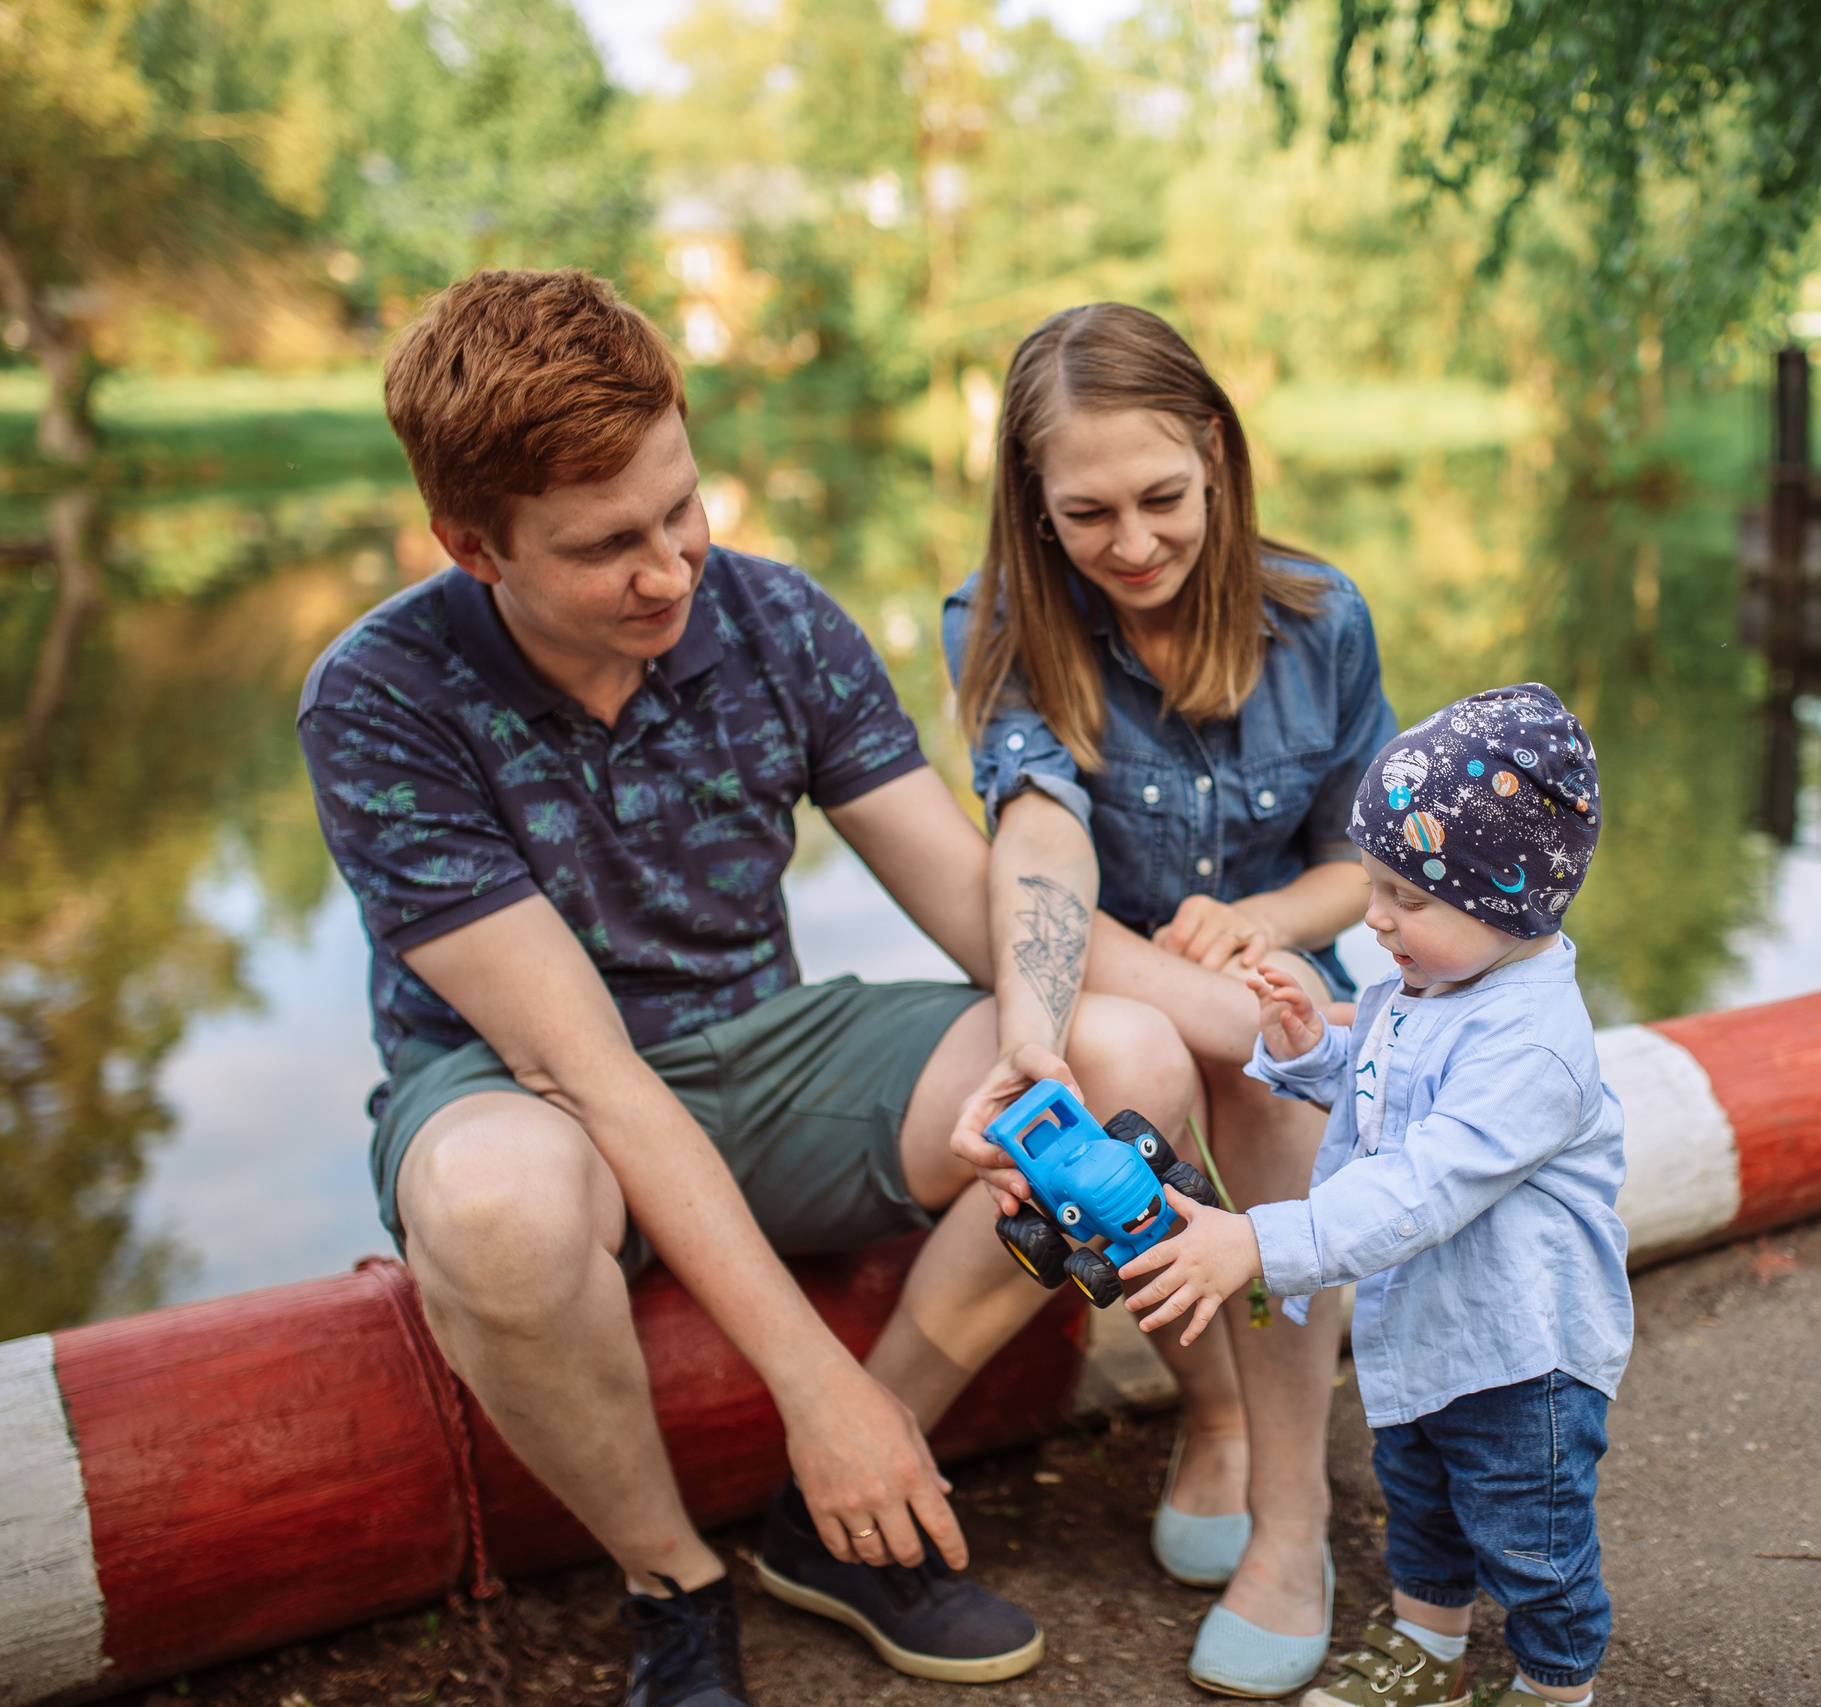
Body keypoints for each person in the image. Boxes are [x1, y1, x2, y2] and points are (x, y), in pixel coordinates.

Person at [297, 268, 1197, 1706]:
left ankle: (841, 1510)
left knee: (1130, 1054)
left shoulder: (774, 618)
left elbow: (980, 908)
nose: (670, 568)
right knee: (492, 1212)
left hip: (767, 1052)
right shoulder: (381, 697)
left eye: (681, 506)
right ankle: (674, 1578)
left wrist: (1281, 1025)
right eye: (608, 546)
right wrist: (809, 1382)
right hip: (531, 1094)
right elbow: (588, 1069)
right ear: (474, 545)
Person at [942, 302, 1399, 1695]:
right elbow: (1036, 834)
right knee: (1137, 1056)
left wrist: (1261, 920)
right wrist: (1034, 1028)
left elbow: (1365, 864)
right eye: (1087, 514)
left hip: (1266, 974)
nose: (1133, 546)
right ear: (1034, 501)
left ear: (1215, 450)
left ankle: (1294, 1511)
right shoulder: (1007, 622)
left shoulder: (1322, 621)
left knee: (1272, 1050)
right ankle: (1213, 1409)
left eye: (1162, 498)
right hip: (1093, 963)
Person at [1117, 684, 1632, 1707]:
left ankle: (1556, 1683)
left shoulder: (1534, 1046)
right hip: (1425, 1333)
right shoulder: (1428, 985)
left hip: (1520, 1353)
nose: (1375, 916)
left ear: (1511, 899)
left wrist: (1258, 1243)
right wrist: (1313, 1056)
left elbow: (1422, 1186)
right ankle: (1425, 1649)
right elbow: (1386, 1094)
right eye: (1372, 883)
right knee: (1423, 1511)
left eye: (1410, 897)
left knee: (1530, 1538)